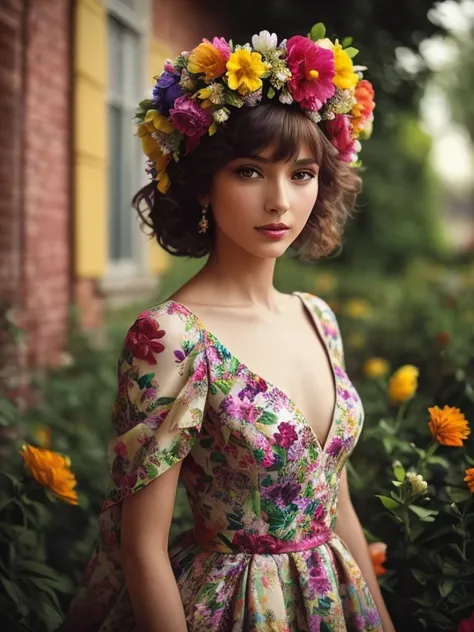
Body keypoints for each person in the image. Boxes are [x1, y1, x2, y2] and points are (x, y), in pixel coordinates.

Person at [61, 24, 396, 632]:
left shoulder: (318, 317)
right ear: (203, 183)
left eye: (301, 173)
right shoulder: (170, 338)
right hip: (235, 607)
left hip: (338, 603)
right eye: (249, 171)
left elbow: (336, 501)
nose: (280, 201)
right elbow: (142, 549)